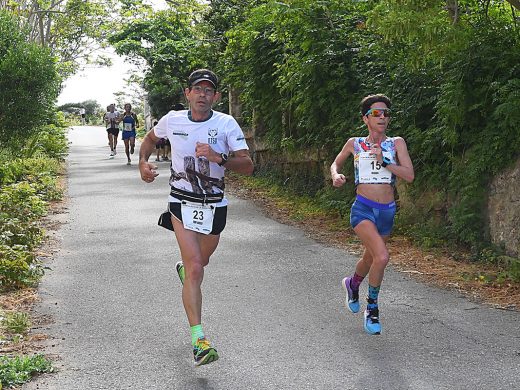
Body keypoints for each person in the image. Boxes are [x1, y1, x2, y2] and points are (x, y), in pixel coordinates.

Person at [138, 69, 254, 366]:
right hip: (181, 202)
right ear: (187, 94)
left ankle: (184, 269)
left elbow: (248, 165)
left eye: (208, 91)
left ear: (215, 96)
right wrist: (143, 163)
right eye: (197, 89)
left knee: (199, 264)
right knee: (195, 271)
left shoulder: (226, 123)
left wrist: (219, 157)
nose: (202, 94)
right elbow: (150, 140)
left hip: (214, 204)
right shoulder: (172, 119)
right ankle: (200, 341)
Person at [330, 94, 414, 335]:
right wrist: (336, 175)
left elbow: (409, 175)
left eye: (386, 113)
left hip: (387, 211)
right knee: (383, 257)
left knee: (371, 259)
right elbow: (335, 164)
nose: (383, 117)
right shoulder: (354, 143)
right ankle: (373, 308)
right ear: (365, 118)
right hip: (363, 208)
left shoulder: (396, 143)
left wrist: (385, 161)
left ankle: (352, 284)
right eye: (377, 113)